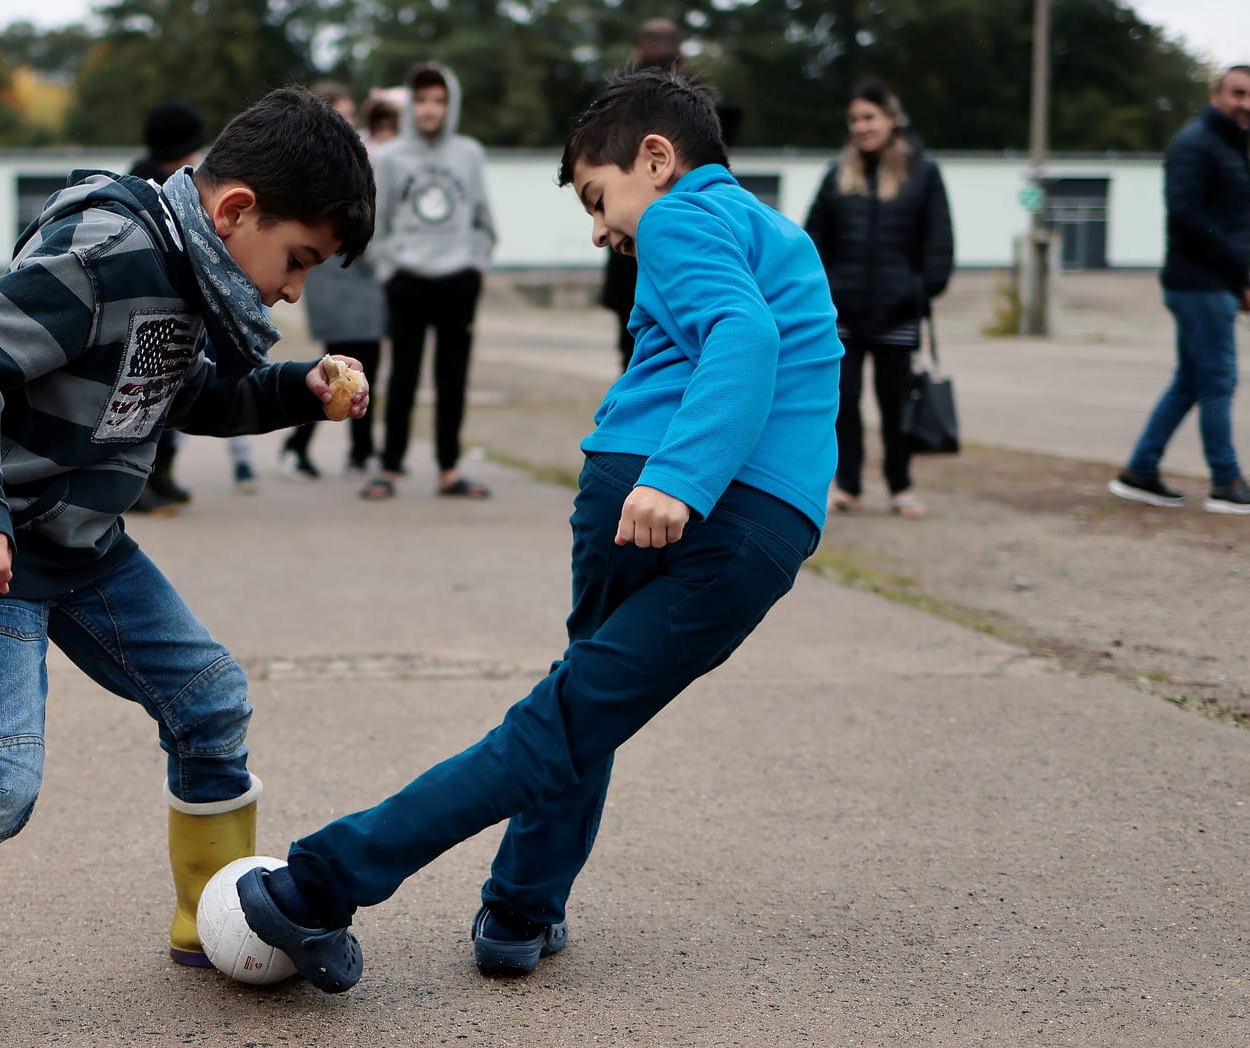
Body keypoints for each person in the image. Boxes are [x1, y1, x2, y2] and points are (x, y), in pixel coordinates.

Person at [0, 89, 375, 1048]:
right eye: (298, 260)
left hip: (79, 538)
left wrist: (292, 390)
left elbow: (190, 399)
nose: (293, 291)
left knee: (209, 697)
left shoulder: (192, 283)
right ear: (235, 214)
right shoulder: (109, 255)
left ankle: (213, 915)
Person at [232, 68, 842, 993]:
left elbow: (742, 337)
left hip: (677, 491)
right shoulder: (773, 231)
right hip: (747, 519)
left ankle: (333, 888)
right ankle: (504, 908)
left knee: (568, 716)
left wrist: (680, 478)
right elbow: (761, 338)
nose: (601, 230)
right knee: (574, 715)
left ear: (657, 157)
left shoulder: (680, 214)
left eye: (599, 199)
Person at [1110, 65, 1250, 515]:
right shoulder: (1196, 144)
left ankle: (1140, 471)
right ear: (1216, 94)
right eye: (1238, 93)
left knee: (1190, 381)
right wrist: (1236, 272)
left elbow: (1227, 220)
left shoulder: (1229, 144)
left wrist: (1241, 281)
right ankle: (1226, 481)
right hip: (1200, 282)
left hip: (1214, 281)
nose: (1247, 103)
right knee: (1218, 379)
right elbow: (1187, 217)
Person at [802, 78, 953, 519]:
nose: (861, 127)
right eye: (854, 119)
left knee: (895, 404)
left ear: (891, 118)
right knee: (843, 401)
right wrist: (824, 290)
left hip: (898, 314)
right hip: (842, 314)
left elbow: (939, 242)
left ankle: (900, 486)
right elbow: (812, 240)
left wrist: (919, 290)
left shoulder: (923, 174)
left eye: (869, 117)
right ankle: (847, 485)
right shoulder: (836, 174)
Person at [360, 63, 496, 500]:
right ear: (410, 104)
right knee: (402, 375)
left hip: (458, 279)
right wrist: (388, 270)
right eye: (422, 100)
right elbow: (378, 223)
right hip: (408, 280)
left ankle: (449, 469)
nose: (430, 109)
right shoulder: (393, 156)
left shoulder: (469, 153)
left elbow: (483, 220)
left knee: (452, 377)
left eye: (439, 100)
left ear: (450, 104)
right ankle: (390, 466)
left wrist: (475, 265)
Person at [281, 81, 387, 479]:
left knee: (368, 364)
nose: (351, 124)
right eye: (342, 114)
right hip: (335, 277)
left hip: (366, 275)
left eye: (354, 114)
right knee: (335, 368)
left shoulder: (362, 160)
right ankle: (298, 444)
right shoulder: (311, 168)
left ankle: (361, 450)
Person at [124, 102, 211, 514]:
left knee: (167, 398)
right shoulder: (163, 187)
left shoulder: (150, 176)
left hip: (167, 309)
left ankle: (162, 477)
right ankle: (138, 485)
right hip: (153, 311)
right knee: (149, 400)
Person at [599, 18, 683, 371]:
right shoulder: (693, 105)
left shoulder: (611, 106)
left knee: (632, 351)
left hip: (632, 238)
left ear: (635, 54)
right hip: (675, 237)